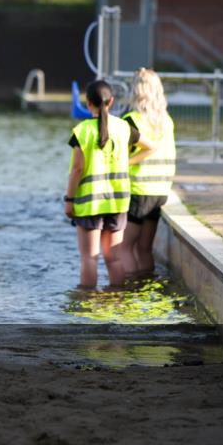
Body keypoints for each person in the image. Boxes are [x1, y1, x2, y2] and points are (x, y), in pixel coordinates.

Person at [64, 80, 155, 288]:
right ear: (111, 101)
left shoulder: (82, 131)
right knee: (114, 259)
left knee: (89, 258)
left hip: (89, 204)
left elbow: (77, 170)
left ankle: (87, 300)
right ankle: (117, 298)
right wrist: (128, 162)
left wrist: (69, 200)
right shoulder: (123, 127)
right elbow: (150, 147)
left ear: (88, 103)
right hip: (117, 203)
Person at [121, 69, 175, 278]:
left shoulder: (132, 120)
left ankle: (129, 288)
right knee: (144, 248)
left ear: (136, 90)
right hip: (160, 191)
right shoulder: (166, 121)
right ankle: (145, 286)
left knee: (124, 247)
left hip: (139, 190)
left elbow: (123, 155)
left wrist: (124, 164)